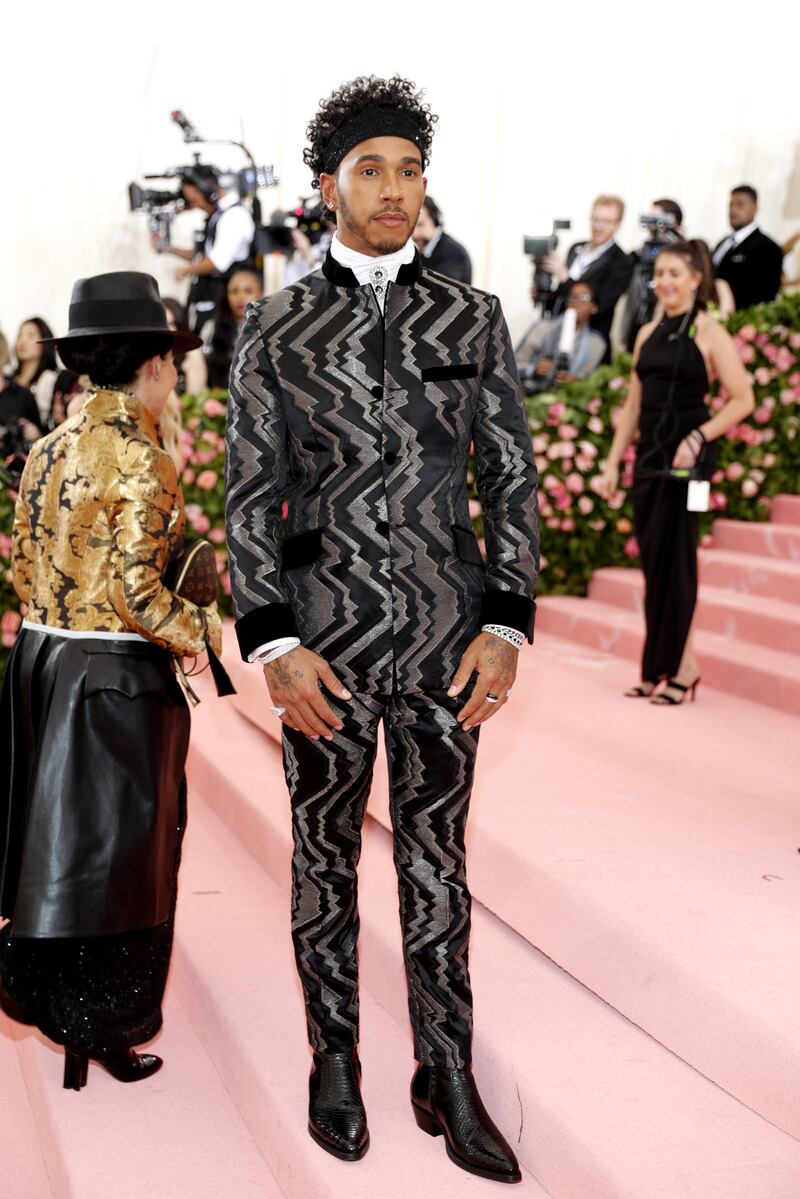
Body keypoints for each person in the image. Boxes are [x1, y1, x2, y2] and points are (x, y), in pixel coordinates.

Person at [225, 74, 538, 1184]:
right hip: (323, 648)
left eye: (408, 169)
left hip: (449, 644)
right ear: (328, 187)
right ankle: (335, 1058)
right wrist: (270, 644)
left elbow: (508, 476)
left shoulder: (473, 315)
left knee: (438, 861)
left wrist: (504, 624)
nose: (395, 188)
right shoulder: (274, 325)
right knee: (322, 858)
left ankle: (443, 1068)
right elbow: (247, 492)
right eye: (372, 169)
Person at [0, 271, 223, 1090]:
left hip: (40, 663)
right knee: (125, 858)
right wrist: (198, 628)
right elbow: (136, 594)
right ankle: (98, 1021)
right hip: (112, 680)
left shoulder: (51, 444)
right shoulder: (142, 456)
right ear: (156, 364)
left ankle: (54, 994)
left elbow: (24, 563)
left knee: (57, 851)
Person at [595, 241, 754, 705]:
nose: (664, 282)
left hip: (691, 465)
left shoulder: (710, 332)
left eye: (674, 274)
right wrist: (611, 461)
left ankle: (680, 666)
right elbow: (633, 407)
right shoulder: (646, 333)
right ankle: (657, 665)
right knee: (652, 564)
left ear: (695, 279)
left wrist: (700, 437)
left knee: (678, 565)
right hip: (649, 460)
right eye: (659, 273)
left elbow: (744, 400)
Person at [166, 166, 256, 331]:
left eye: (194, 200)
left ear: (207, 191)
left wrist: (186, 270)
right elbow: (202, 255)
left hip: (221, 301)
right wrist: (169, 248)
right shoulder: (217, 216)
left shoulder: (234, 216)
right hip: (206, 296)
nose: (194, 206)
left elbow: (216, 262)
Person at [545, 194, 634, 361]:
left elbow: (601, 305)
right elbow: (562, 298)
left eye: (607, 221)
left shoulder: (622, 262)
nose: (598, 226)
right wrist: (544, 294)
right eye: (595, 219)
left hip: (588, 346)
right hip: (558, 338)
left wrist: (565, 277)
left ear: (618, 225)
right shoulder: (576, 248)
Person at [516, 279, 606, 388]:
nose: (576, 302)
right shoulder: (543, 328)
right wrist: (533, 369)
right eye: (572, 297)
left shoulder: (595, 344)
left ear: (594, 306)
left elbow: (587, 378)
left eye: (584, 298)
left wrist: (575, 380)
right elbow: (514, 364)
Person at [712, 185, 783, 309]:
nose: (733, 210)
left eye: (740, 205)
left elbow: (766, 296)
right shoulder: (723, 243)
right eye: (730, 205)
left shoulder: (768, 248)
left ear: (755, 208)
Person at [205, 262, 264, 389]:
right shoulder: (211, 328)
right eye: (234, 291)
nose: (240, 297)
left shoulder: (270, 329)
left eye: (248, 291)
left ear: (261, 293)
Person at [8, 317, 60, 426]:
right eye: (20, 335)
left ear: (45, 342)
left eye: (30, 336)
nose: (23, 341)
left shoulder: (49, 379)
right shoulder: (7, 379)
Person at [412, 196, 472, 283]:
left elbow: (438, 292)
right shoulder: (423, 253)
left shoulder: (453, 254)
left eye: (420, 224)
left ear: (436, 220)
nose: (415, 233)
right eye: (411, 226)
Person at [163, 296, 208, 394]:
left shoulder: (191, 354)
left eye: (171, 324)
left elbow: (195, 398)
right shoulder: (149, 356)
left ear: (179, 326)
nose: (166, 330)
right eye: (162, 324)